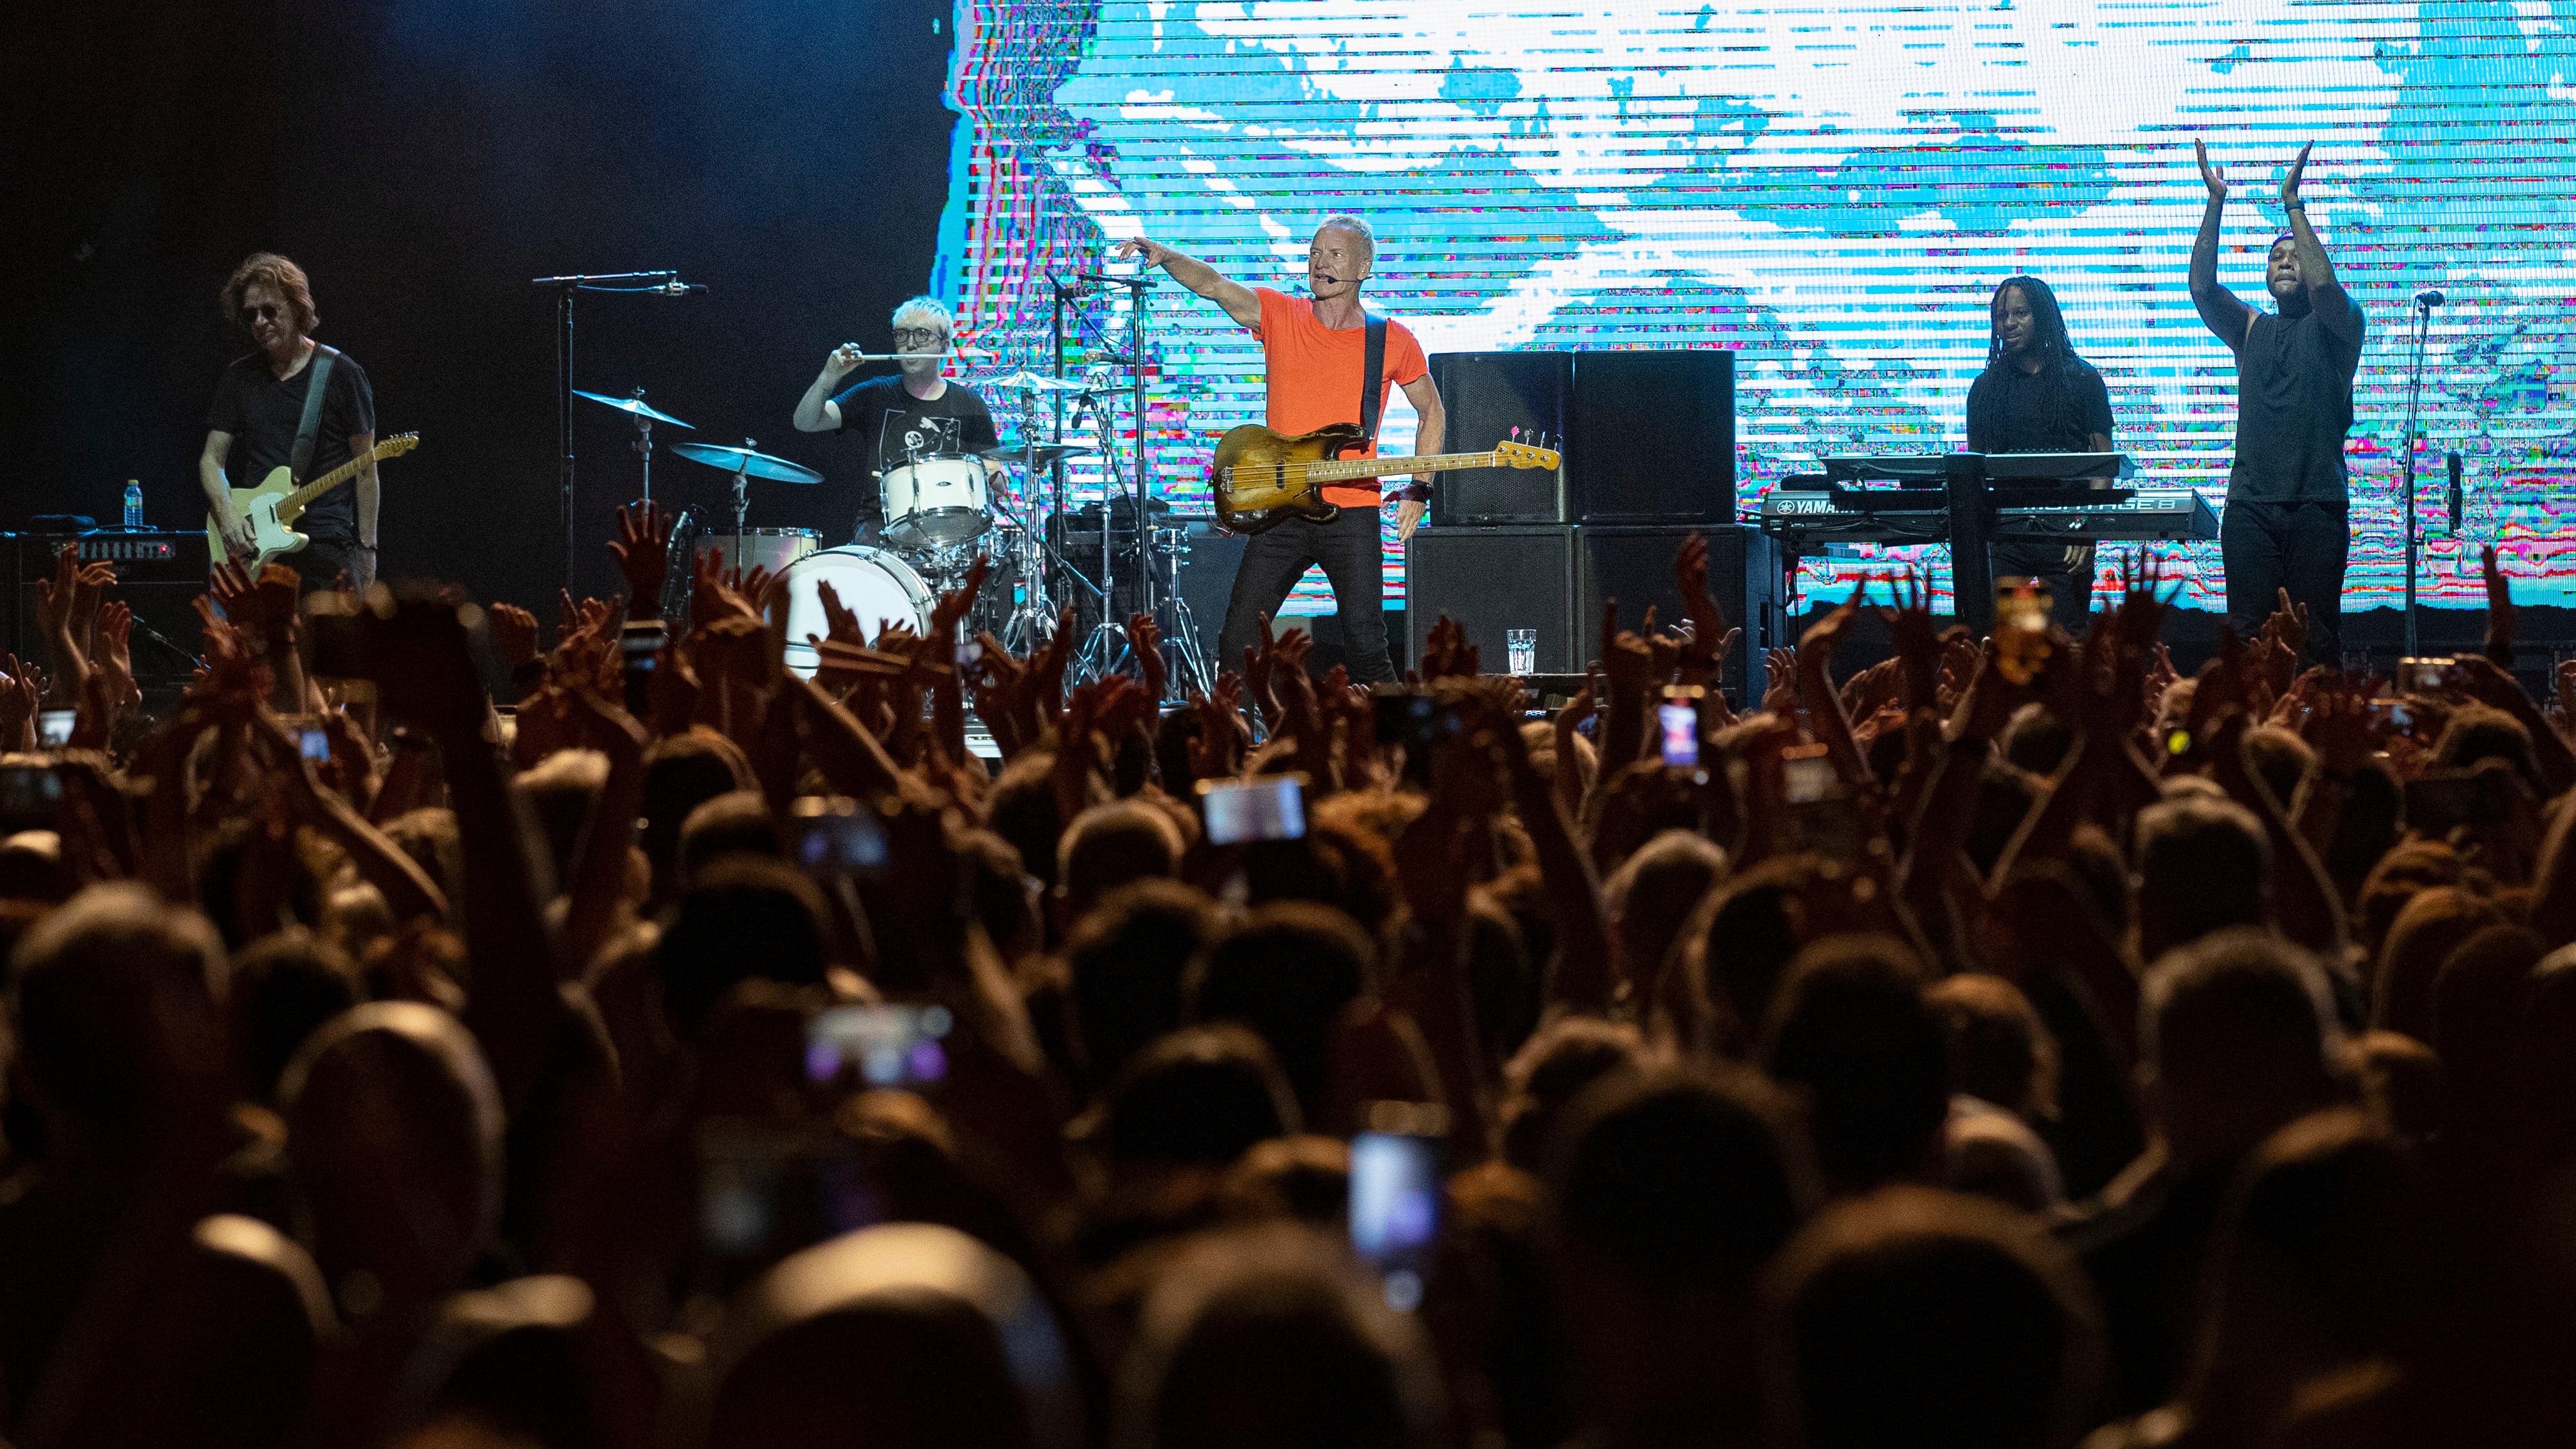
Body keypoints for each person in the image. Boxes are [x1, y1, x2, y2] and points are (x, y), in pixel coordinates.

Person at [1114, 217, 1447, 683]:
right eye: (1315, 252)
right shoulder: (1280, 313)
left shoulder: (1391, 339)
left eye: (1334, 254)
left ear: (1364, 267)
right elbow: (1214, 285)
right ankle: (1242, 750)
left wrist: (1419, 489)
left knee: (1368, 646)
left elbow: (1432, 412)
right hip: (1282, 511)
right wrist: (1167, 256)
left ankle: (1398, 750)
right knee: (1238, 644)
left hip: (1351, 510)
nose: (1320, 262)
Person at [2189, 141, 2366, 666]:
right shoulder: (2250, 329)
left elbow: (2325, 285)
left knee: (2314, 641)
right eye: (2275, 257)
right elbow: (2202, 288)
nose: (2285, 262)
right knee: (2250, 641)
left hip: (2316, 506)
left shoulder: (2340, 327)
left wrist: (2293, 204)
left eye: (2294, 255)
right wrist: (2216, 201)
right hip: (2250, 508)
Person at [198, 253, 381, 591]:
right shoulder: (239, 376)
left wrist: (367, 549)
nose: (259, 322)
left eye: (270, 310)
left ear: (297, 308)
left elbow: (366, 468)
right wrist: (226, 514)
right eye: (250, 314)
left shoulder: (342, 373)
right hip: (254, 545)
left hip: (325, 546)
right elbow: (211, 459)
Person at [1968, 275, 2115, 629]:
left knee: (2067, 647)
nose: (2009, 324)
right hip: (2006, 536)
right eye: (2001, 316)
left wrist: (2086, 530)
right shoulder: (1985, 388)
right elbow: (1974, 472)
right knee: (2003, 650)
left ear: (2043, 317)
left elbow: (2103, 464)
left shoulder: (2082, 379)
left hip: (2067, 536)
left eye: (2020, 314)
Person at [792, 295, 999, 543]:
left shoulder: (969, 404)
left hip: (951, 529)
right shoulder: (875, 394)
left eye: (921, 334)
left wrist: (995, 478)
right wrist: (828, 377)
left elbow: (995, 477)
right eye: (902, 334)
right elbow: (805, 422)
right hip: (880, 525)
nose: (910, 344)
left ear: (944, 345)